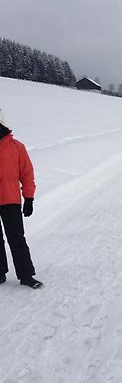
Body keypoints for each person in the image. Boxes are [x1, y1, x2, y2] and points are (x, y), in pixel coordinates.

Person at [0, 109, 42, 289]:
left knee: (16, 238)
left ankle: (26, 275)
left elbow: (27, 174)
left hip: (10, 200)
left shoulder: (17, 147)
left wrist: (29, 198)